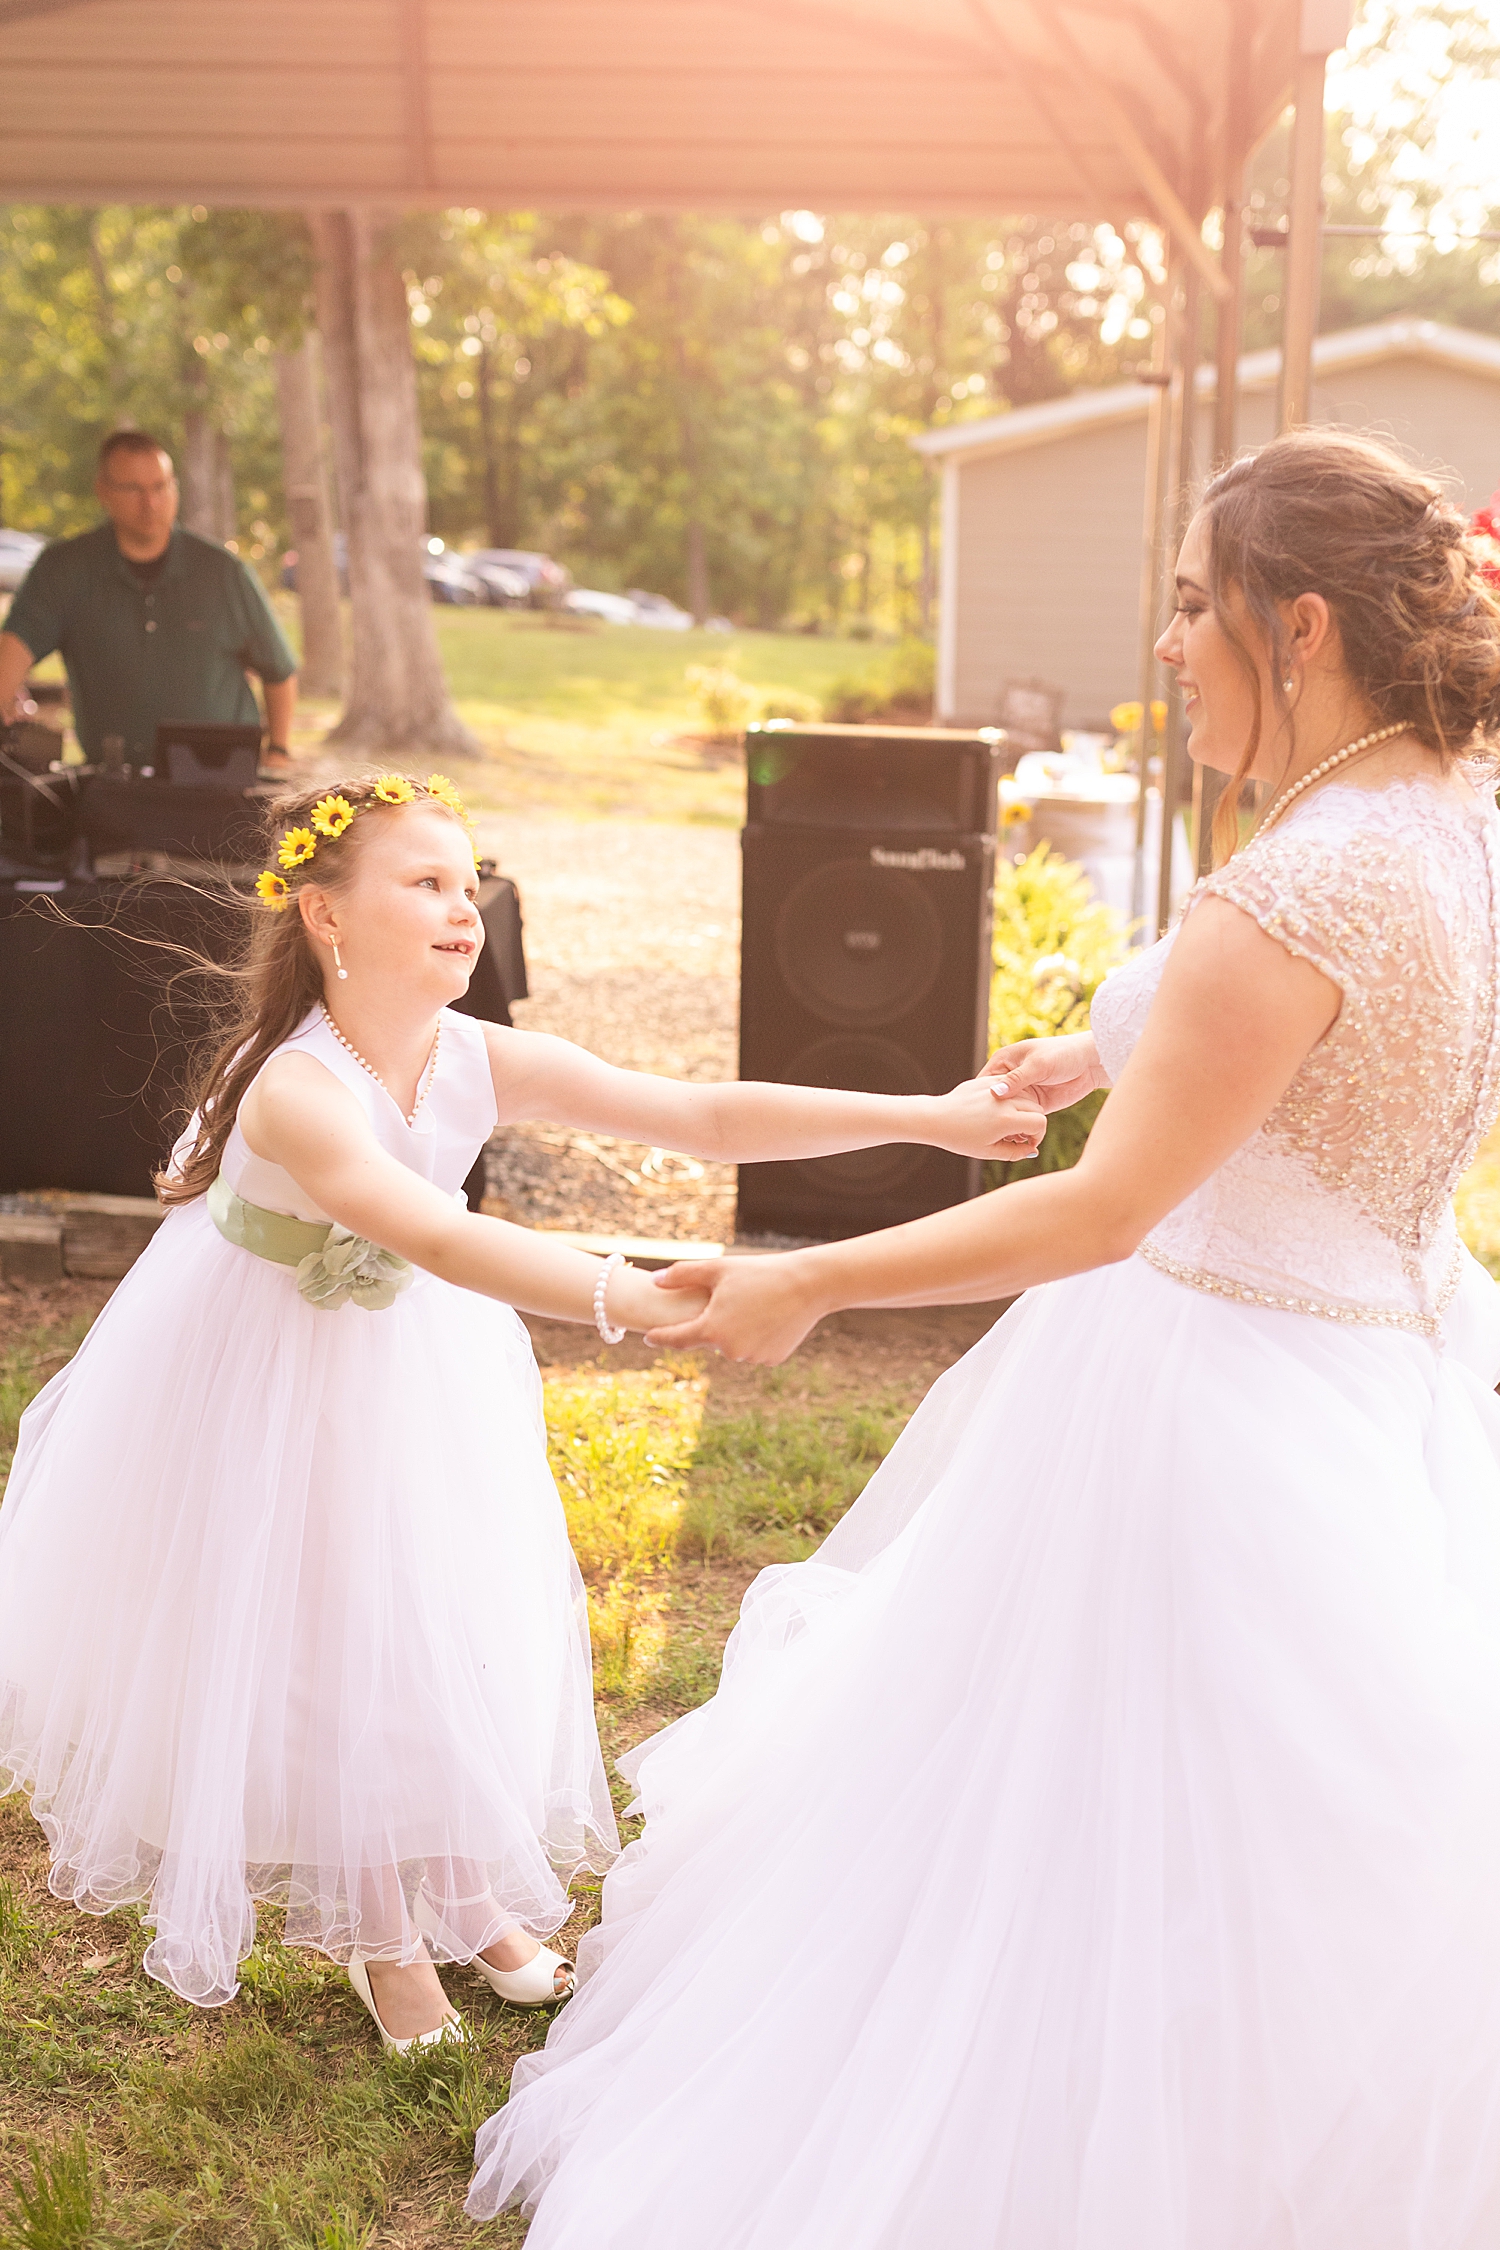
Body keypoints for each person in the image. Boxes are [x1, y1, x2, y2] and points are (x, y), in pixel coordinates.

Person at [466, 430, 1500, 2248]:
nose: (1170, 645)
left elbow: (1103, 1215)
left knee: (1093, 1816)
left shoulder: (1302, 885)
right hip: (1377, 1385)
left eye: (1195, 606)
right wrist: (1108, 1044)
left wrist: (813, 1278)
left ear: (1303, 620)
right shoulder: (1440, 818)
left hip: (1211, 1410)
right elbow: (1303, 1051)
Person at [0, 767, 1043, 2051]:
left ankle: (463, 1884)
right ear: (326, 916)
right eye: (425, 883)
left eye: (466, 879)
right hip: (271, 1366)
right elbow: (436, 1235)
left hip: (414, 1359)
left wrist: (931, 1117)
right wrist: (650, 1303)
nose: (464, 905)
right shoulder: (298, 1090)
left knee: (441, 1603)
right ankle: (384, 1934)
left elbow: (701, 1116)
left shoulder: (472, 1053)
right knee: (337, 1637)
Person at [0, 429, 298, 778]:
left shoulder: (222, 572)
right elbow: (13, 652)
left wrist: (278, 752)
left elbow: (279, 670)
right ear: (103, 490)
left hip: (219, 783)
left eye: (161, 486)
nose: (151, 502)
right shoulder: (64, 569)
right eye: (133, 489)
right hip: (113, 783)